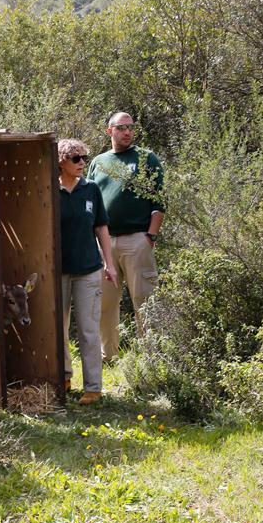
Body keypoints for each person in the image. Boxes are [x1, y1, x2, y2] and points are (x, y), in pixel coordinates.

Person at [87, 112, 165, 362]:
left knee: (145, 300)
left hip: (136, 241)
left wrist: (150, 236)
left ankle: (152, 359)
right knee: (106, 304)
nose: (128, 132)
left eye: (131, 128)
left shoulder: (145, 158)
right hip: (104, 244)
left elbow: (159, 202)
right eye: (122, 128)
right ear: (109, 131)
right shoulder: (98, 162)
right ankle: (108, 357)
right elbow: (89, 200)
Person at [58, 138, 117, 405]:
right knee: (58, 328)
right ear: (61, 161)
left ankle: (93, 387)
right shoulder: (48, 190)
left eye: (84, 157)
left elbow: (101, 227)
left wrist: (110, 263)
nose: (83, 163)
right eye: (76, 159)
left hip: (88, 270)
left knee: (88, 329)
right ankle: (64, 376)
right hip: (57, 271)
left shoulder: (91, 189)